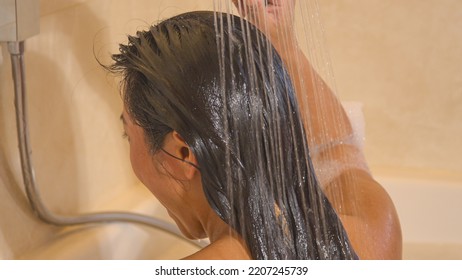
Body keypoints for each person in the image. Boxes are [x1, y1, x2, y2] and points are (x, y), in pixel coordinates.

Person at [110, 0, 401, 259]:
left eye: (128, 135)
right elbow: (340, 149)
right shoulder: (374, 233)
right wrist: (283, 41)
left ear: (184, 153)